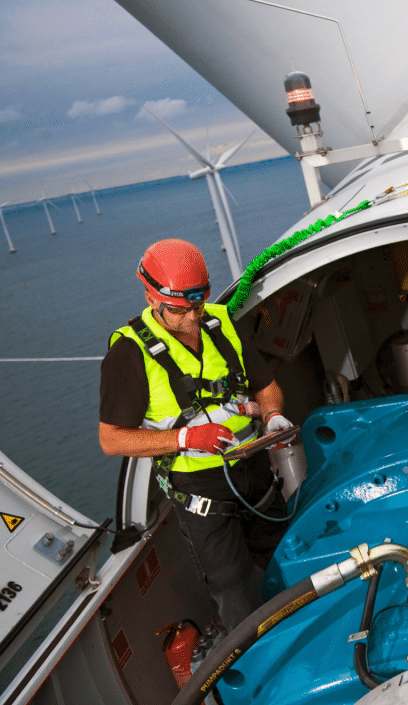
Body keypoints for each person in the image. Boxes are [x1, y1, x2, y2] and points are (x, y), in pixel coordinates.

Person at [98, 238, 293, 631]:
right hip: (202, 493)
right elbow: (112, 439)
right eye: (179, 310)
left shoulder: (219, 323)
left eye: (197, 306)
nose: (191, 319)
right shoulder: (130, 351)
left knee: (287, 558)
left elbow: (267, 387)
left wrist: (272, 418)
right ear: (152, 297)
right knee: (234, 591)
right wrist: (185, 440)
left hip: (254, 471)